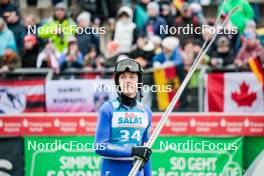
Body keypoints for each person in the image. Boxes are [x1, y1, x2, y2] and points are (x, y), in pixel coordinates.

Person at [95, 59, 152, 176]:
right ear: (118, 82)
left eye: (132, 77)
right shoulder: (107, 109)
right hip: (112, 171)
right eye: (123, 77)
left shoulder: (146, 111)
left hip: (137, 171)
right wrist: (132, 151)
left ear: (139, 81)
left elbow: (145, 152)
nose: (127, 81)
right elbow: (100, 146)